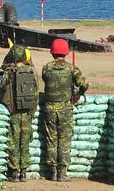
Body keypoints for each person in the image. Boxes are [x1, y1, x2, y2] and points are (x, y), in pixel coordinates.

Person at [42, 38, 89, 182]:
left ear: (52, 52)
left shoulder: (46, 68)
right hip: (65, 108)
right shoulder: (72, 69)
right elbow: (84, 84)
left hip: (49, 108)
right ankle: (62, 173)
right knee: (64, 140)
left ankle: (53, 172)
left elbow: (46, 79)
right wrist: (78, 95)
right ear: (66, 53)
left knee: (51, 139)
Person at [0, 45, 39, 182]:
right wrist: (32, 111)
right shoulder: (32, 71)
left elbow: (2, 85)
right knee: (25, 142)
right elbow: (36, 93)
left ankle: (14, 172)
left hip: (14, 112)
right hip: (27, 112)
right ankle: (24, 172)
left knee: (13, 142)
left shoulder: (9, 71)